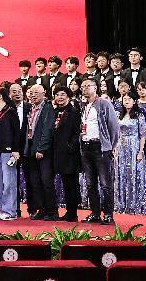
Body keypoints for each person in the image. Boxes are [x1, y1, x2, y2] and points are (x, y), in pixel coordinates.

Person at [79, 78, 121, 225]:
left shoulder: (104, 103)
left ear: (95, 87)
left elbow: (114, 127)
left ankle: (108, 214)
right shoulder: (83, 106)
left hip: (101, 147)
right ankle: (95, 213)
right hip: (86, 147)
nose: (84, 88)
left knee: (105, 183)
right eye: (82, 86)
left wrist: (111, 145)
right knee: (90, 183)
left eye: (87, 86)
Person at [113, 92, 146, 215]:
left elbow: (142, 135)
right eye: (124, 99)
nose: (126, 101)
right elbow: (116, 133)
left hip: (134, 147)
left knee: (134, 174)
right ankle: (121, 203)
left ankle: (135, 204)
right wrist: (114, 147)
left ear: (134, 101)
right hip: (121, 147)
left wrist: (140, 152)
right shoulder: (118, 115)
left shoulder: (139, 115)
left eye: (129, 99)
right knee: (121, 174)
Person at [25, 84, 57, 221]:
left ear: (44, 94)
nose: (33, 96)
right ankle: (41, 209)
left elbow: (47, 130)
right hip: (31, 149)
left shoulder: (47, 108)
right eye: (31, 93)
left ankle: (52, 211)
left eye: (36, 93)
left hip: (43, 150)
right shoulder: (31, 108)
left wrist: (41, 148)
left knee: (46, 181)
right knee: (35, 182)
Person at [0, 87, 21, 221]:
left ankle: (11, 211)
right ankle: (2, 210)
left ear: (0, 96)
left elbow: (17, 132)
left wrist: (15, 150)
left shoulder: (11, 111)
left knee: (9, 182)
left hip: (8, 151)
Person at [52, 86, 81, 222]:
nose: (60, 97)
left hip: (70, 155)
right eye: (57, 95)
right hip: (57, 153)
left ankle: (72, 213)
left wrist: (70, 146)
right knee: (65, 184)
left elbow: (77, 133)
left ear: (68, 96)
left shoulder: (74, 112)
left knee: (71, 184)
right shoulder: (54, 112)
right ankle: (69, 212)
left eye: (63, 94)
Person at [9, 83, 30, 218]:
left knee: (31, 179)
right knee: (12, 181)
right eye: (14, 91)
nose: (17, 93)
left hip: (28, 148)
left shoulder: (29, 107)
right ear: (9, 94)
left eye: (19, 91)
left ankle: (33, 209)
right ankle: (14, 209)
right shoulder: (7, 108)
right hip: (11, 149)